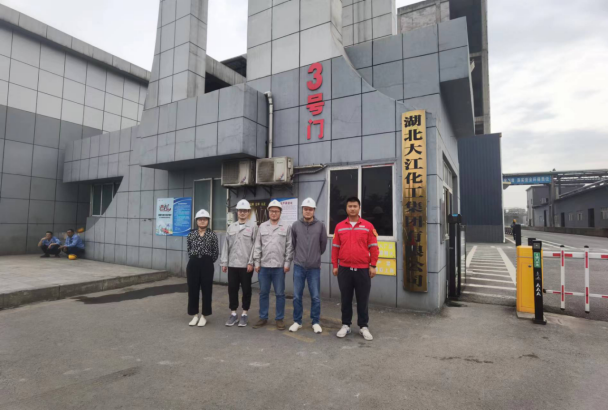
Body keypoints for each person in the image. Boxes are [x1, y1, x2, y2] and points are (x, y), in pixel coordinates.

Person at [332, 197, 379, 341]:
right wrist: (335, 265)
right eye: (350, 206)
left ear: (359, 208)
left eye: (355, 206)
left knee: (362, 299)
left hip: (362, 269)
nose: (352, 208)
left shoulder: (368, 226)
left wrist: (373, 265)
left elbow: (374, 247)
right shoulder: (340, 226)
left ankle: (363, 326)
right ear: (346, 208)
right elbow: (335, 248)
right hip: (344, 269)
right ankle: (345, 325)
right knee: (345, 298)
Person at [251, 200, 294, 330]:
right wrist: (257, 262)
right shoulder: (262, 226)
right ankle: (263, 317)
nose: (274, 213)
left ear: (280, 212)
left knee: (280, 294)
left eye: (276, 211)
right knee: (263, 293)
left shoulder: (286, 227)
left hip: (279, 267)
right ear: (268, 212)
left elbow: (289, 246)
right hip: (264, 266)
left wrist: (287, 263)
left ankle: (279, 319)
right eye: (271, 211)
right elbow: (257, 246)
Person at [289, 198, 328, 334]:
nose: (307, 211)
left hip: (314, 267)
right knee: (296, 296)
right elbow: (293, 243)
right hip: (299, 266)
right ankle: (297, 321)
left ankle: (315, 322)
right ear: (302, 210)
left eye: (310, 209)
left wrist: (315, 256)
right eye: (305, 209)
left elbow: (323, 245)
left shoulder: (320, 226)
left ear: (314, 210)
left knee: (315, 296)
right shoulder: (295, 225)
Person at [220, 199, 257, 327]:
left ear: (248, 212)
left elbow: (255, 246)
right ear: (237, 212)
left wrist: (251, 262)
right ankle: (234, 313)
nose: (242, 213)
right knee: (232, 289)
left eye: (245, 211)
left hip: (246, 265)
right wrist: (224, 262)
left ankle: (245, 313)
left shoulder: (253, 227)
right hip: (232, 264)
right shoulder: (231, 227)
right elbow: (226, 246)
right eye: (240, 210)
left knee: (246, 289)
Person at [186, 209, 219, 327]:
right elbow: (189, 249)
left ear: (208, 221)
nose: (202, 221)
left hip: (207, 264)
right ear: (196, 221)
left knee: (206, 290)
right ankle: (194, 315)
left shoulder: (212, 235)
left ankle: (204, 315)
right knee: (193, 290)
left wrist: (207, 261)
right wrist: (196, 259)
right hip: (193, 263)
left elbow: (215, 252)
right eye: (200, 219)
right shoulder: (191, 234)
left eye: (205, 219)